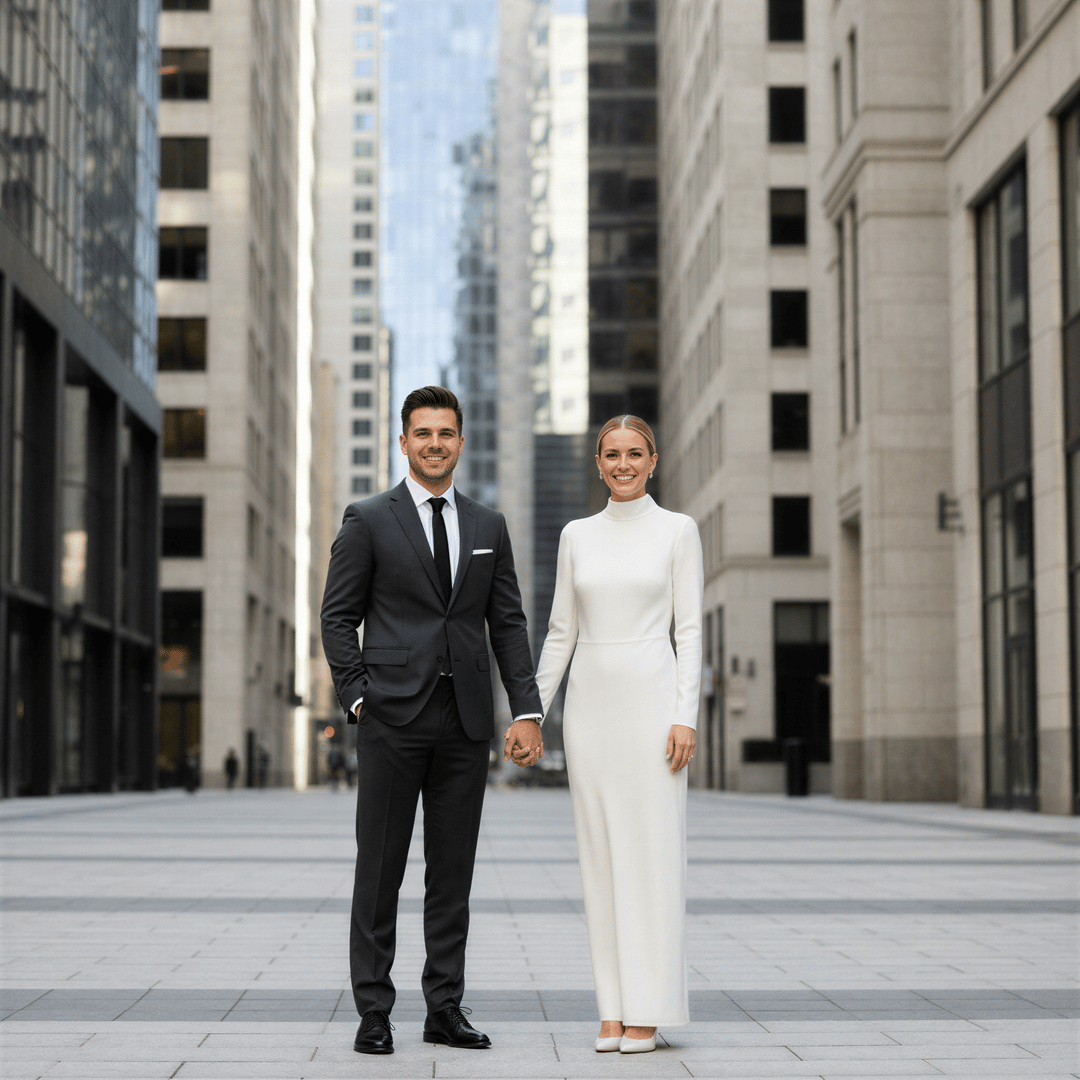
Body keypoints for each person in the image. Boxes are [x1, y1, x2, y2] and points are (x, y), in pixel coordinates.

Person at [321, 385, 544, 1056]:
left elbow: (507, 623)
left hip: (464, 722)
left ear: (461, 442)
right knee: (380, 870)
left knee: (452, 875)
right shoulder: (368, 519)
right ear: (403, 442)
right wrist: (358, 698)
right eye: (423, 433)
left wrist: (526, 709)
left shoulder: (488, 526)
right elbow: (338, 617)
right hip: (390, 717)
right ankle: (374, 1011)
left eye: (446, 433)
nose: (435, 444)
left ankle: (444, 1007)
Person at [534, 414, 703, 1055]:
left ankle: (649, 1008)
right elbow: (560, 632)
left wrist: (685, 715)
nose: (623, 464)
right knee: (600, 860)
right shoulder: (576, 535)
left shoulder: (678, 531)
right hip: (591, 712)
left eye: (635, 453)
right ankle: (613, 1007)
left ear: (653, 461)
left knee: (652, 858)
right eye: (612, 454)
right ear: (598, 464)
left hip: (654, 708)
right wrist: (530, 712)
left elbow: (689, 631)